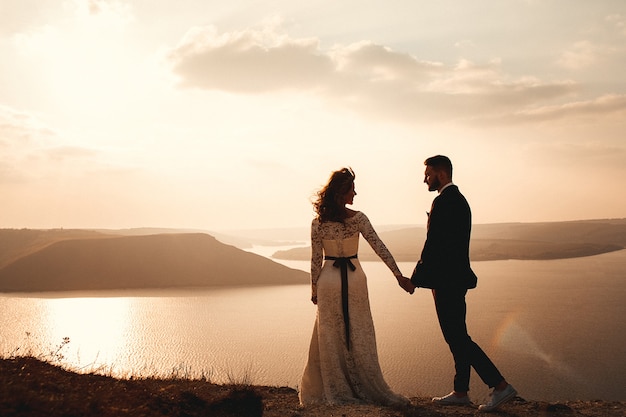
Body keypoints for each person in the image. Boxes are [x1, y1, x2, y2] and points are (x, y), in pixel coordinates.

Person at [407, 155, 517, 412]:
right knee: (458, 336)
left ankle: (500, 386)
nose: (425, 178)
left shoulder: (443, 202)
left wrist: (414, 280)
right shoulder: (460, 201)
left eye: (428, 173)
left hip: (446, 282)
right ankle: (460, 391)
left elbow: (432, 245)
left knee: (458, 337)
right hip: (454, 280)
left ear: (441, 174)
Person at [299, 167, 413, 406]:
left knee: (330, 334)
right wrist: (398, 275)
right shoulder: (359, 218)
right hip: (355, 278)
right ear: (343, 191)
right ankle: (363, 384)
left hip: (328, 280)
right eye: (352, 188)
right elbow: (379, 247)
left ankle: (337, 385)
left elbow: (315, 260)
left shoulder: (317, 223)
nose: (355, 193)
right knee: (358, 331)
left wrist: (314, 290)